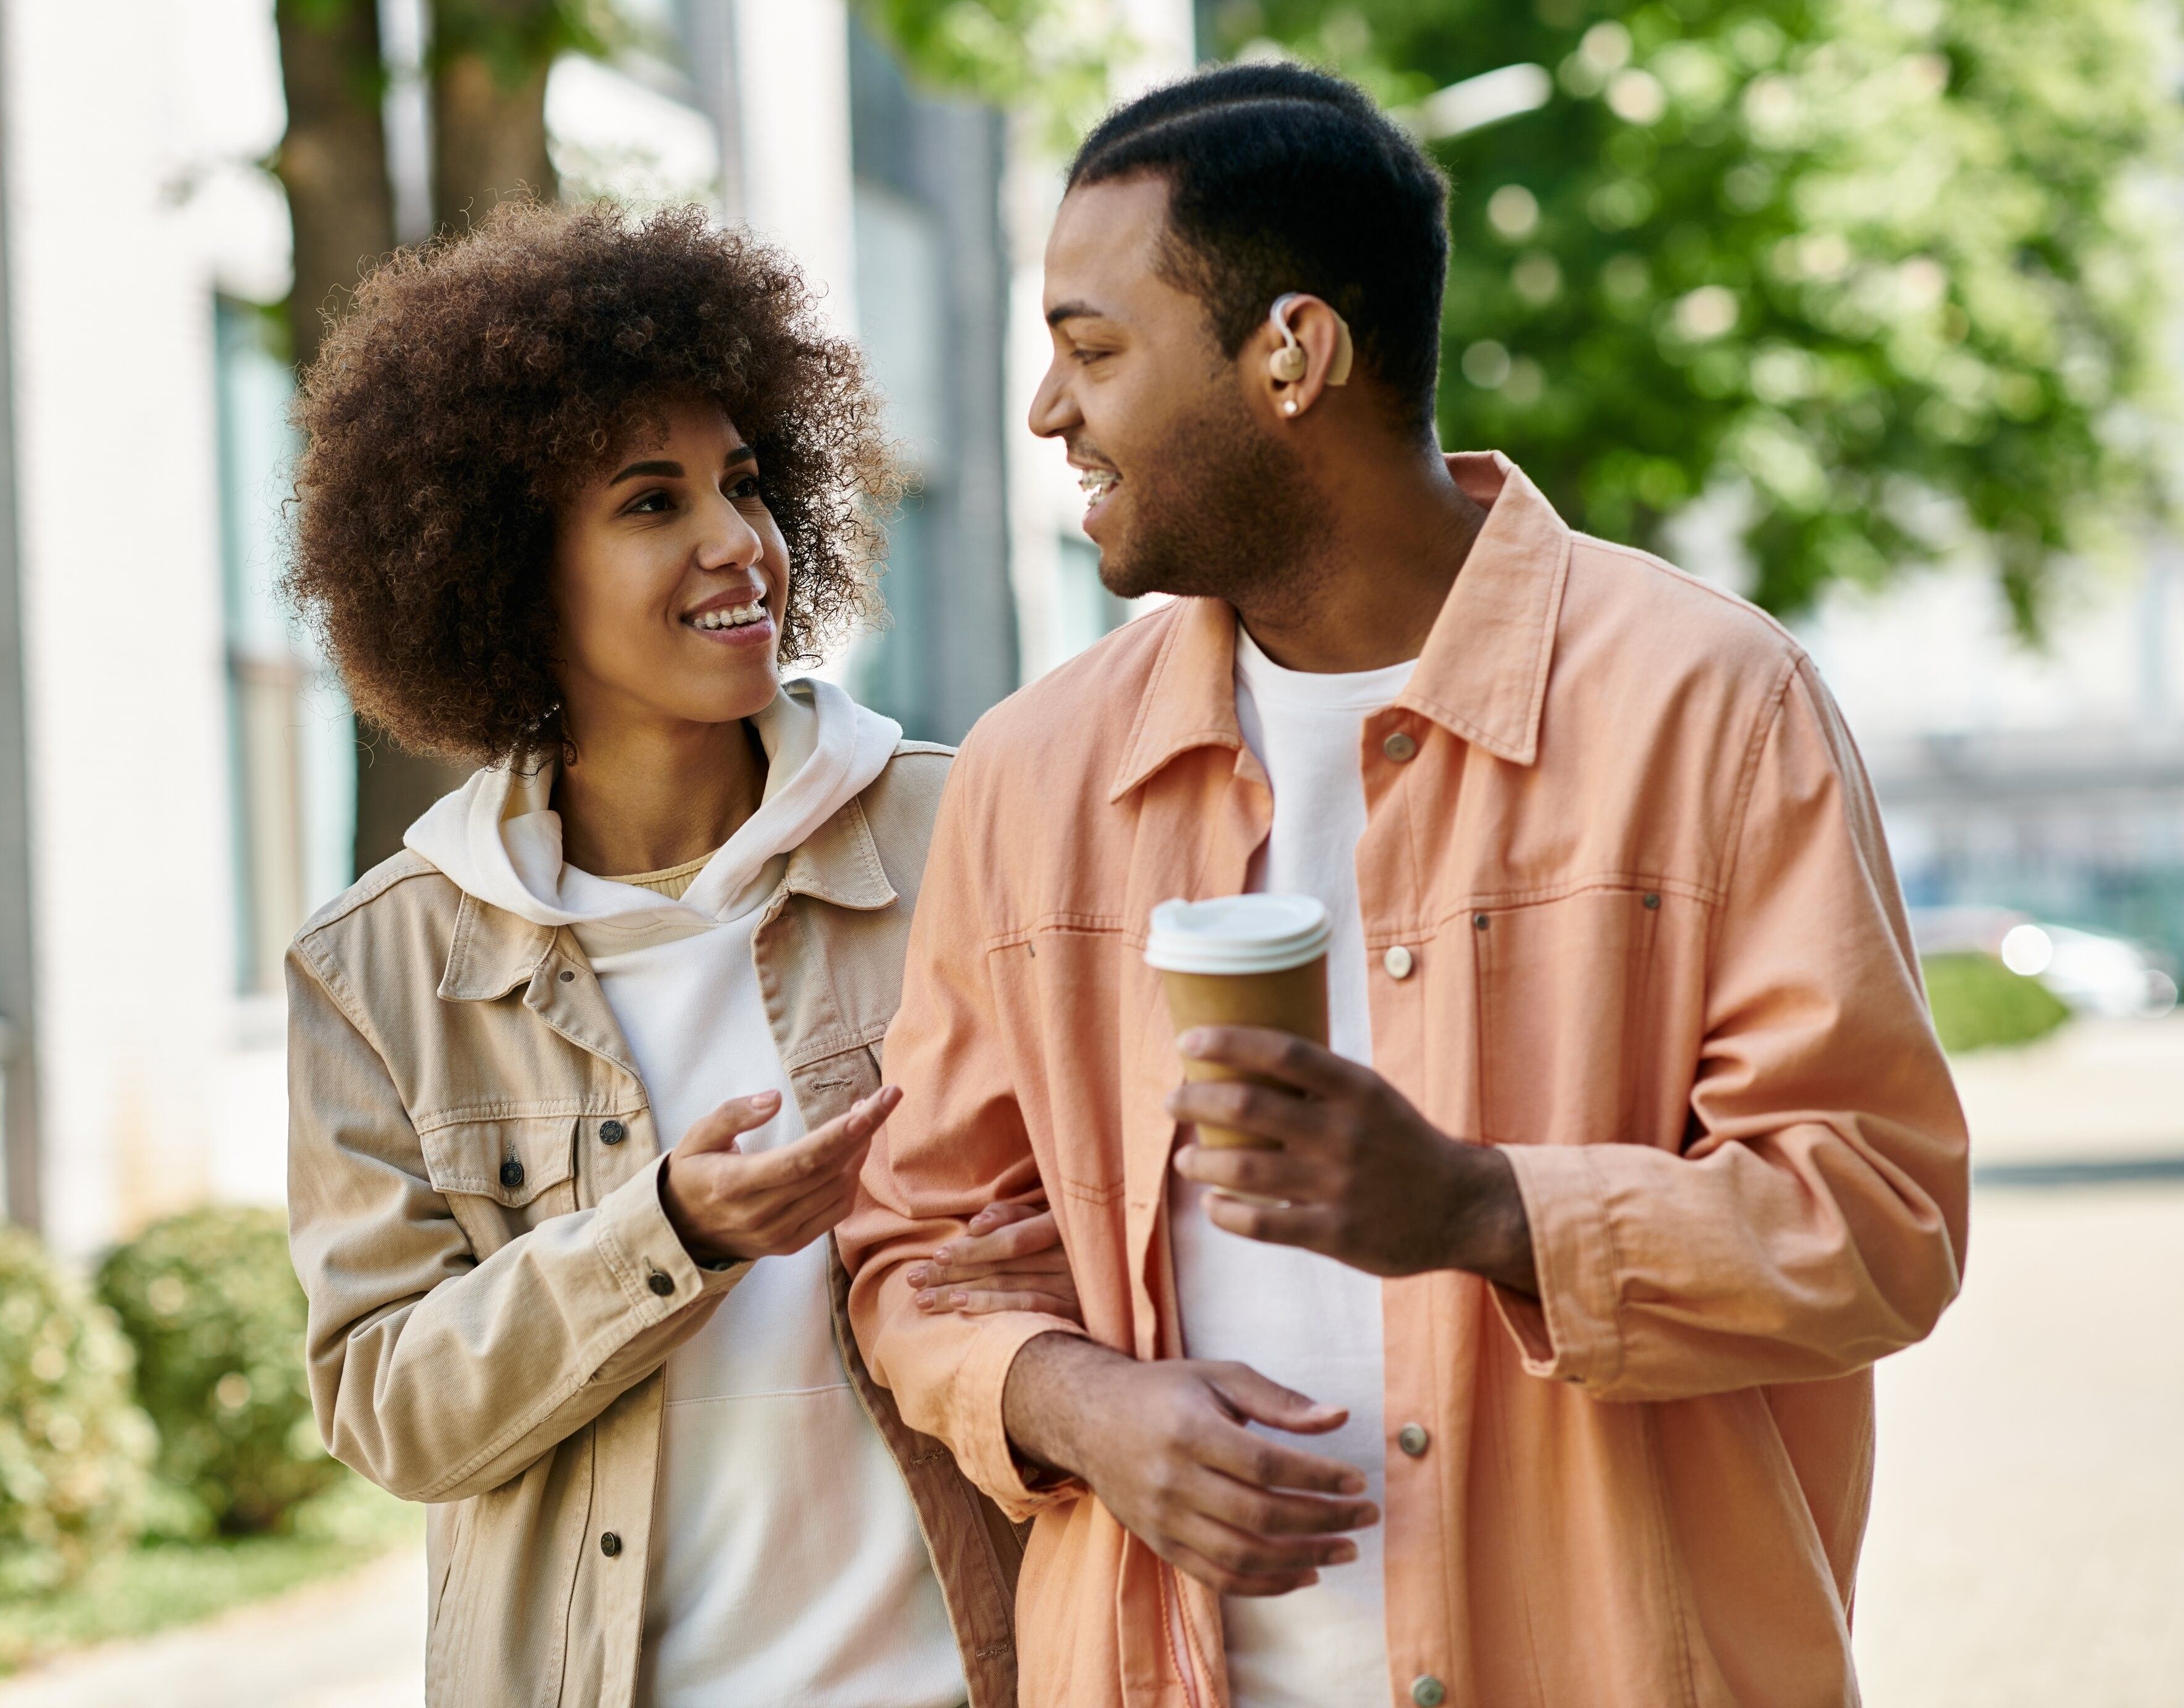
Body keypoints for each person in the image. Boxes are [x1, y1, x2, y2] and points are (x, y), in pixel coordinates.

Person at [842, 63, 1969, 1708]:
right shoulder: (1033, 772)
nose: (1045, 412)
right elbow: (922, 1250)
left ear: (1289, 355)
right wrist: (1074, 1402)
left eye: (1093, 349)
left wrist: (1481, 1210)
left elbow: (1882, 1220)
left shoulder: (1709, 704)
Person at [281, 202, 1075, 1708]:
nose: (739, 543)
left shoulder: (970, 830)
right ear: (514, 568)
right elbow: (391, 1406)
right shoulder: (384, 963)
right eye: (652, 502)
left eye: (747, 480)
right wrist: (669, 1234)